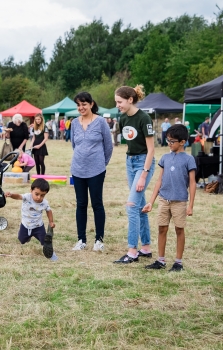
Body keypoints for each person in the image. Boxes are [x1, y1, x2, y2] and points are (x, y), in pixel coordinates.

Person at [142, 124, 196, 272]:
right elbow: (159, 180)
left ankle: (178, 262)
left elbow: (192, 183)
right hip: (163, 199)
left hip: (179, 201)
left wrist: (190, 205)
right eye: (168, 140)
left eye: (172, 141)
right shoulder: (165, 158)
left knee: (179, 229)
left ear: (182, 142)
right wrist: (151, 202)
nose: (169, 144)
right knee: (162, 229)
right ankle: (161, 260)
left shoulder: (189, 159)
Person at [113, 85, 156, 264]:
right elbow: (129, 145)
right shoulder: (123, 119)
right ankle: (145, 248)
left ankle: (132, 251)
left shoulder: (144, 118)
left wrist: (144, 174)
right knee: (139, 206)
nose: (117, 105)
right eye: (116, 102)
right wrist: (129, 170)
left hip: (144, 163)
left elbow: (151, 149)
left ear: (130, 100)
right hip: (130, 162)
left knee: (131, 206)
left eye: (120, 102)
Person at [70, 92, 113, 251]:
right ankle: (81, 240)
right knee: (81, 204)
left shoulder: (101, 122)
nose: (81, 107)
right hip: (78, 170)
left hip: (96, 170)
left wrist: (101, 163)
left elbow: (108, 146)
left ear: (91, 104)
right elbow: (74, 145)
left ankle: (99, 240)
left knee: (97, 204)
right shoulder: (74, 123)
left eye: (84, 104)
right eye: (79, 105)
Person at [5, 178, 57, 260]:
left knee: (45, 241)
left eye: (42, 195)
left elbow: (49, 211)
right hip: (25, 225)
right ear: (31, 190)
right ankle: (28, 237)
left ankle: (51, 254)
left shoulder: (45, 203)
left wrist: (51, 222)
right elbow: (18, 196)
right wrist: (11, 195)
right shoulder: (27, 197)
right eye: (36, 194)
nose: (39, 197)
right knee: (22, 240)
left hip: (38, 226)